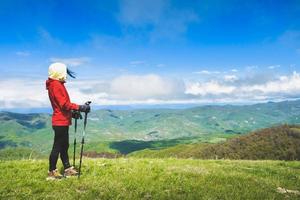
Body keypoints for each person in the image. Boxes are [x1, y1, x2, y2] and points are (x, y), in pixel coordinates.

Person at [46, 62, 90, 180]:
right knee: (58, 146)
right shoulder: (56, 85)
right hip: (60, 121)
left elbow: (60, 106)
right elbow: (64, 104)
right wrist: (80, 107)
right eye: (64, 72)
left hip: (62, 120)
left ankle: (67, 169)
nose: (66, 74)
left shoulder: (56, 84)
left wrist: (72, 113)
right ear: (59, 72)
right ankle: (52, 172)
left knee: (64, 145)